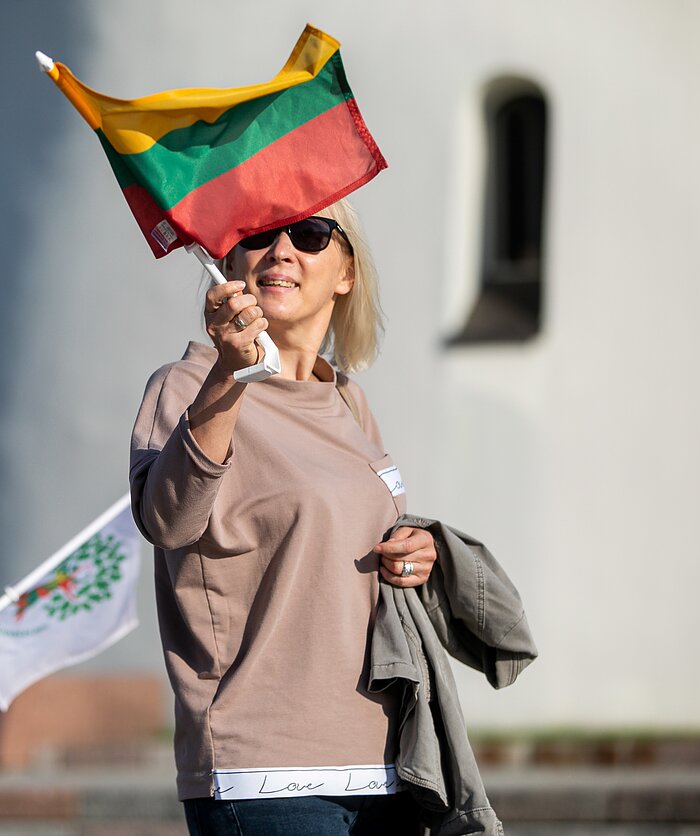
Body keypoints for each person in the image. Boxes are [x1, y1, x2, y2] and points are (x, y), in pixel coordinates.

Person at [129, 199, 440, 835]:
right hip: (263, 773)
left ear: (347, 271)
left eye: (311, 233)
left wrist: (413, 553)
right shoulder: (186, 384)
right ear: (229, 263)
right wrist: (230, 373)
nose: (281, 250)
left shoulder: (347, 400)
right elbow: (168, 522)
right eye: (258, 234)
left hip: (385, 764)